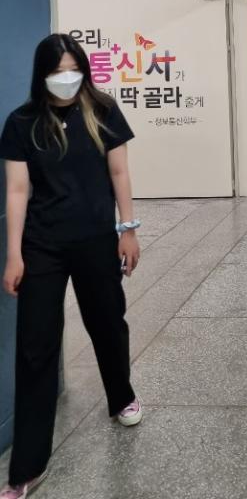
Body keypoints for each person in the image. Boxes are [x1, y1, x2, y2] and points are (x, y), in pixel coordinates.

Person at [0, 34, 142, 499]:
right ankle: (26, 466)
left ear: (84, 69)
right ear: (42, 74)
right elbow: (17, 190)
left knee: (107, 323)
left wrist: (128, 229)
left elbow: (119, 172)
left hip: (96, 239)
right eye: (58, 71)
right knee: (36, 346)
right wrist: (15, 253)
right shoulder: (22, 122)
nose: (67, 78)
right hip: (42, 246)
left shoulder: (102, 110)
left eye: (73, 69)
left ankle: (121, 396)